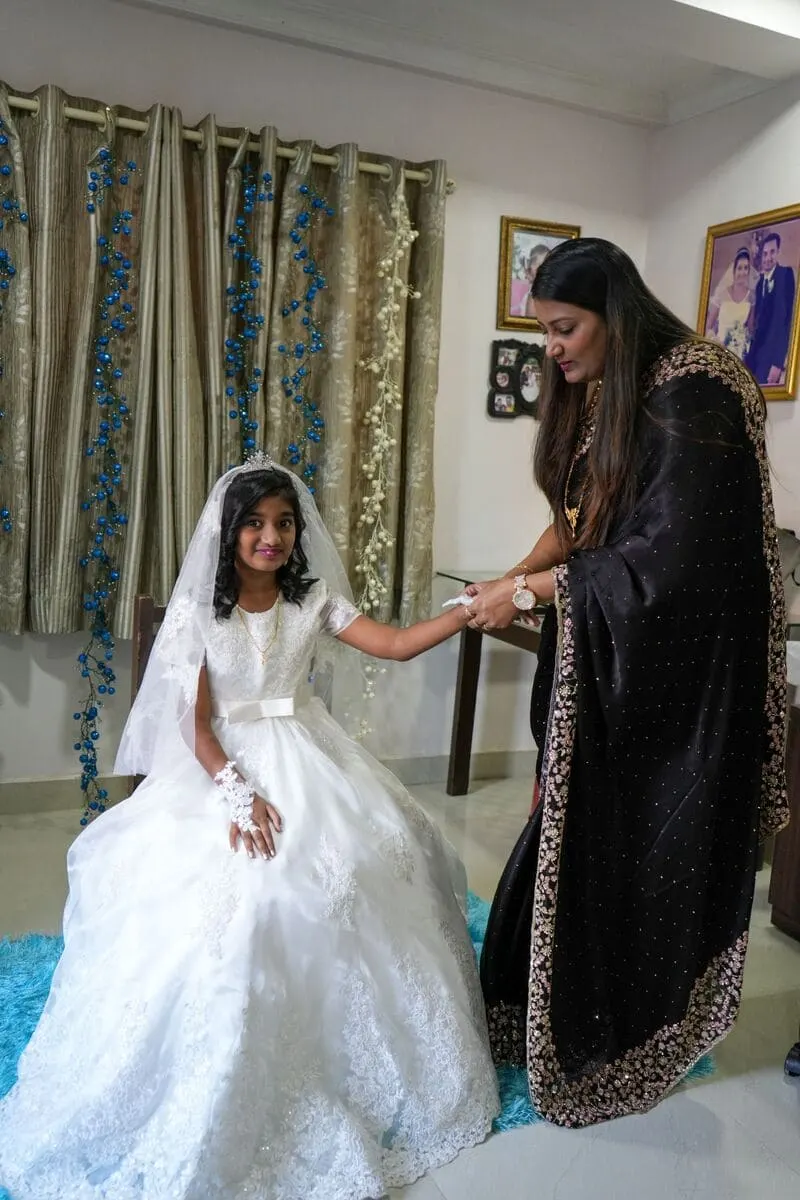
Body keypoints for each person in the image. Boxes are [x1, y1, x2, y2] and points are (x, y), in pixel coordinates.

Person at [0, 456, 499, 1199]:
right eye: (257, 523)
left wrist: (467, 610)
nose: (272, 536)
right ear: (230, 530)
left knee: (364, 860)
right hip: (224, 764)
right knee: (244, 897)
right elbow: (196, 724)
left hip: (309, 751)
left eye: (285, 523)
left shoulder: (313, 600)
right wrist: (238, 794)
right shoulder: (202, 612)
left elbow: (393, 645)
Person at [465, 237, 789, 1128]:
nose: (552, 350)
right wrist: (512, 578)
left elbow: (671, 562)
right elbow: (580, 521)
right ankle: (540, 1011)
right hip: (609, 654)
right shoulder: (611, 388)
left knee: (638, 849)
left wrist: (530, 593)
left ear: (614, 312)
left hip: (676, 680)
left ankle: (629, 1030)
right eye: (544, 333)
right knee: (566, 835)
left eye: (565, 329)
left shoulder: (697, 391)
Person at [745, 229, 796, 386]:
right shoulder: (759, 283)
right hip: (755, 358)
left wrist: (778, 363)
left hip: (772, 358)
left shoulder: (786, 274)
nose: (768, 258)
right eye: (765, 253)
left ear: (778, 252)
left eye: (772, 252)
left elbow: (786, 321)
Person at [705, 246, 754, 360]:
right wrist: (716, 342)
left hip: (738, 354)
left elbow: (750, 329)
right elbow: (708, 326)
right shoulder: (721, 294)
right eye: (739, 268)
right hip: (719, 350)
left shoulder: (751, 296)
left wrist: (743, 343)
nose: (743, 272)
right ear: (734, 270)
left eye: (746, 268)